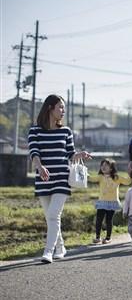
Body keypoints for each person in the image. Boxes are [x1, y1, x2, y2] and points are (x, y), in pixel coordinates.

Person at [28, 95, 92, 263]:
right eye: (60, 107)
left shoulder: (66, 131)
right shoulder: (35, 131)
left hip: (62, 178)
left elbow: (71, 154)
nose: (63, 111)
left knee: (53, 214)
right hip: (43, 178)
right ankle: (60, 246)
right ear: (50, 108)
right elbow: (34, 153)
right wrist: (40, 167)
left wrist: (81, 155)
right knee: (50, 216)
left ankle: (48, 251)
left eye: (64, 108)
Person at [93, 158, 131, 244]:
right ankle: (97, 237)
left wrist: (130, 173)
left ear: (111, 168)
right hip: (102, 202)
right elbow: (91, 178)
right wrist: (83, 172)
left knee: (108, 220)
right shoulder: (100, 177)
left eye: (106, 165)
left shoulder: (117, 177)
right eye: (102, 165)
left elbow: (128, 182)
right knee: (99, 219)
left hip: (112, 202)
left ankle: (108, 238)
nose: (103, 167)